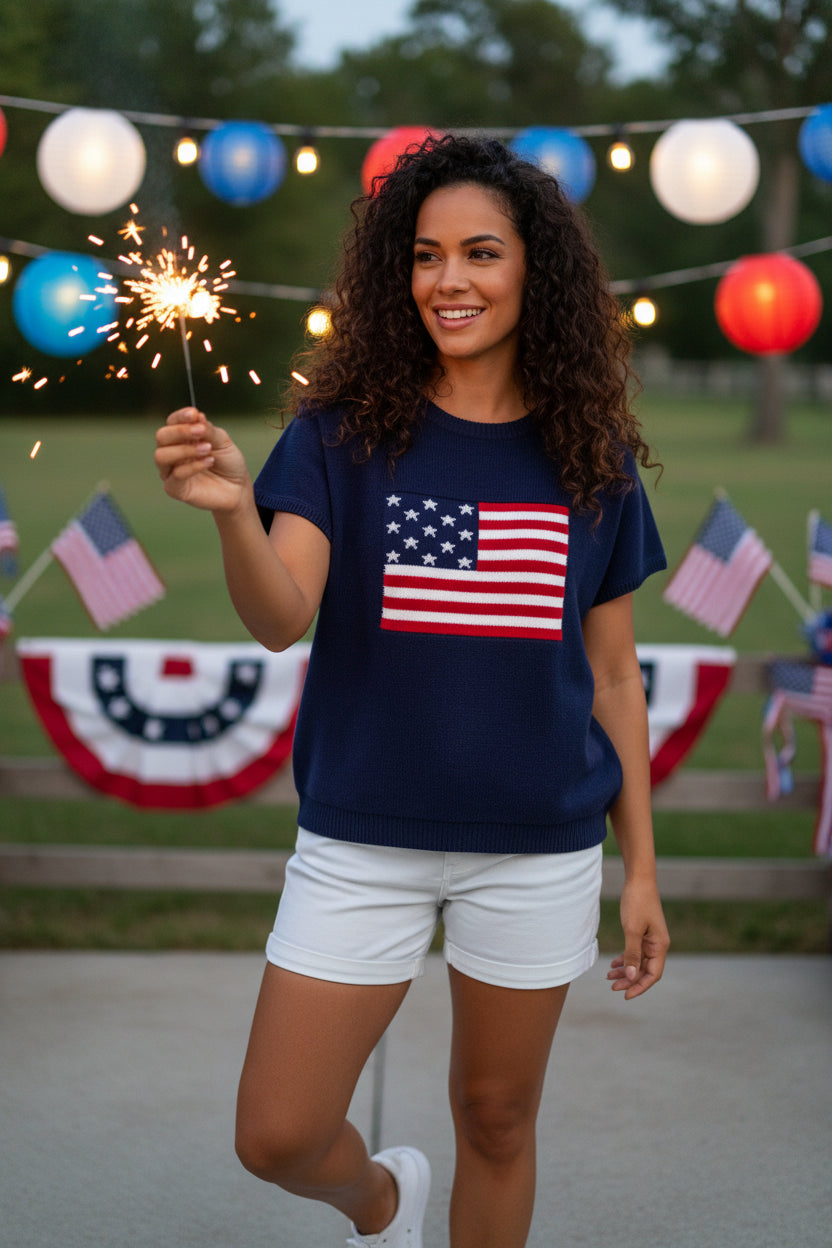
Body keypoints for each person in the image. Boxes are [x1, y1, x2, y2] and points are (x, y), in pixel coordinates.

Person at [154, 133, 670, 1248]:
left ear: (536, 271)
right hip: (361, 839)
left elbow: (616, 677)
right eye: (426, 256)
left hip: (537, 846)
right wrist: (235, 511)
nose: (450, 281)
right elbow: (281, 617)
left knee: (495, 1121)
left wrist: (639, 871)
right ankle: (382, 1202)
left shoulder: (592, 455)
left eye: (480, 253)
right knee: (277, 1135)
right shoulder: (338, 436)